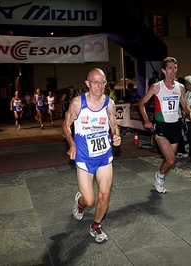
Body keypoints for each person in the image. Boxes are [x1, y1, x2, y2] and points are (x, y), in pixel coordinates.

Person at [62, 68, 121, 243]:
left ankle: (96, 225)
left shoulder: (109, 103)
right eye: (95, 82)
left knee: (104, 196)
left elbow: (114, 125)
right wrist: (72, 144)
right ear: (88, 83)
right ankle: (80, 203)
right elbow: (66, 125)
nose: (99, 86)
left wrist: (116, 135)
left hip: (104, 157)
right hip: (84, 158)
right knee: (89, 200)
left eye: (102, 82)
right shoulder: (77, 103)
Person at [138, 56, 191, 193]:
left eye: (175, 68)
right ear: (164, 70)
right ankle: (160, 178)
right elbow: (141, 103)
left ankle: (160, 175)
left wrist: (189, 113)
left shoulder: (180, 87)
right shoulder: (156, 87)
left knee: (171, 159)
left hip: (175, 126)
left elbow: (184, 104)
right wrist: (146, 120)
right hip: (162, 126)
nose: (173, 71)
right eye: (170, 68)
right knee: (171, 160)